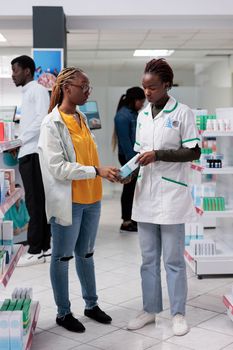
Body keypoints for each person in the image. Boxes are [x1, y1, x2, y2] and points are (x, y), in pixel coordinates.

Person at [38, 67, 119, 333]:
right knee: (62, 258)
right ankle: (63, 313)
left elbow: (87, 158)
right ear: (66, 88)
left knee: (86, 254)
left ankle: (91, 305)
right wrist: (96, 171)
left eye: (89, 87)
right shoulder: (51, 124)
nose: (87, 91)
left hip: (92, 198)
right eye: (83, 86)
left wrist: (108, 173)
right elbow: (58, 167)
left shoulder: (82, 117)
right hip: (69, 201)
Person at [126, 58, 201, 336]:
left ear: (167, 85)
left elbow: (194, 151)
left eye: (153, 88)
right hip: (146, 194)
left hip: (171, 195)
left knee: (173, 259)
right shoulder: (143, 115)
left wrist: (158, 155)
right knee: (148, 259)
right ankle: (150, 309)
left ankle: (178, 313)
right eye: (144, 88)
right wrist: (128, 172)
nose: (147, 93)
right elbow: (138, 153)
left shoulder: (183, 113)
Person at [11, 55, 51, 266]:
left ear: (27, 71)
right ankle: (44, 246)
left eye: (15, 70)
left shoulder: (37, 90)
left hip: (34, 153)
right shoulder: (28, 93)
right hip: (27, 151)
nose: (12, 75)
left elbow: (42, 119)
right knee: (36, 201)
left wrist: (20, 140)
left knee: (35, 202)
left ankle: (36, 249)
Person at [113, 87, 145, 232]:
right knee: (129, 188)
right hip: (128, 157)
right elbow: (125, 143)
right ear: (135, 100)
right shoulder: (122, 116)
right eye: (141, 101)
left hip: (134, 157)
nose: (143, 104)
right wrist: (133, 164)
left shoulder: (133, 114)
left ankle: (132, 219)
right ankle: (126, 221)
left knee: (132, 189)